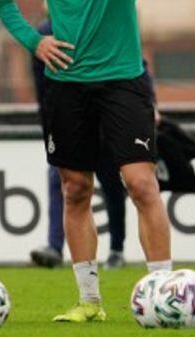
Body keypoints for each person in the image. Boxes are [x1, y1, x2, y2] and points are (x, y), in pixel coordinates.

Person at [0, 0, 172, 323]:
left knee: (141, 182)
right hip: (67, 84)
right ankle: (90, 302)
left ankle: (163, 292)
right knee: (74, 189)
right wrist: (34, 41)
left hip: (123, 79)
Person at [29, 19, 130, 270]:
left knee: (113, 186)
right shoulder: (43, 34)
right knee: (61, 183)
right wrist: (51, 125)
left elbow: (137, 66)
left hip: (105, 123)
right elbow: (42, 90)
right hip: (67, 122)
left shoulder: (103, 21)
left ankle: (117, 249)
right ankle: (55, 247)